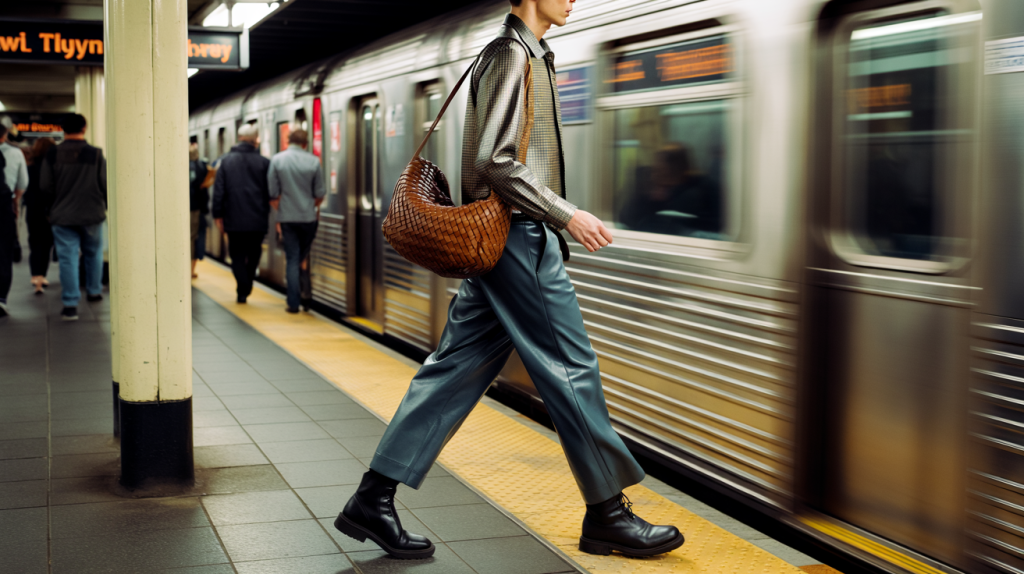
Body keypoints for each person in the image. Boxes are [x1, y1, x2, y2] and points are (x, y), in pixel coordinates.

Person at [334, 0, 683, 560]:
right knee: (571, 367)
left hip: (507, 240)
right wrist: (566, 214)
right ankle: (608, 514)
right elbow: (495, 160)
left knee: (453, 371)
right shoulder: (508, 55)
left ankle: (373, 498)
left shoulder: (533, 54)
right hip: (517, 238)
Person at [39, 113, 107, 322]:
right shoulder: (96, 154)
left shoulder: (52, 154)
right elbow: (105, 184)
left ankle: (70, 305)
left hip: (62, 215)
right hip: (92, 214)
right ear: (84, 128)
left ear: (63, 130)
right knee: (94, 253)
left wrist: (52, 208)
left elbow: (44, 186)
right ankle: (94, 292)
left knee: (67, 259)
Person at [212, 124, 270, 303]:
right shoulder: (264, 163)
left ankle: (242, 288)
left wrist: (218, 215)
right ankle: (248, 282)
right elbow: (270, 191)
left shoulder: (225, 162)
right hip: (257, 219)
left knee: (236, 254)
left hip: (233, 218)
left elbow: (219, 191)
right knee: (254, 253)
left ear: (238, 138)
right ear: (254, 140)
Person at [268, 129, 325, 313]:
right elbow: (319, 194)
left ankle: (293, 303)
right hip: (308, 218)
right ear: (305, 144)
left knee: (293, 258)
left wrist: (283, 209)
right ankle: (306, 297)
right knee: (303, 257)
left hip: (287, 218)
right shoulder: (314, 161)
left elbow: (272, 194)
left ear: (288, 141)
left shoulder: (277, 160)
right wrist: (307, 206)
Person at [0, 123, 29, 318]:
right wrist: (15, 201)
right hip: (3, 205)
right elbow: (22, 183)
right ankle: (1, 298)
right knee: (3, 252)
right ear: (3, 136)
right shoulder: (14, 153)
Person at [23, 137, 56, 294]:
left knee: (35, 243)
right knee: (47, 244)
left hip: (33, 211)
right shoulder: (54, 168)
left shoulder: (30, 168)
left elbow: (25, 190)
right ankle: (42, 275)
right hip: (50, 210)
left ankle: (35, 275)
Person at [188, 142, 209, 279]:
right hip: (196, 209)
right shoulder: (201, 167)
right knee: (193, 238)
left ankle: (189, 269)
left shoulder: (185, 166)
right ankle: (191, 269)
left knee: (191, 238)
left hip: (190, 207)